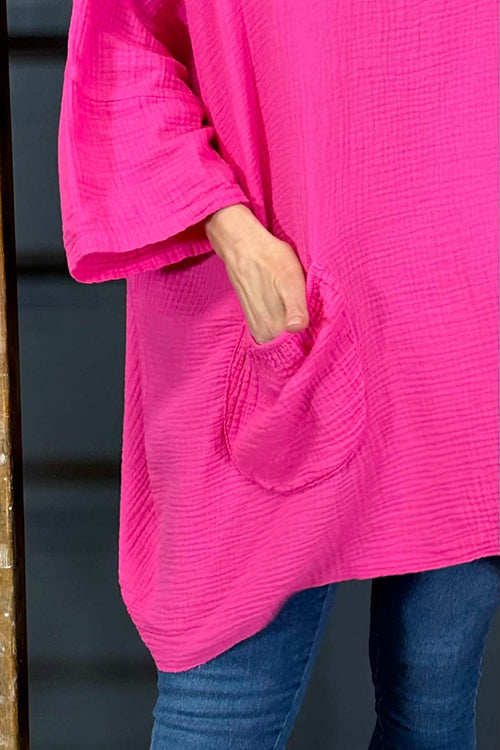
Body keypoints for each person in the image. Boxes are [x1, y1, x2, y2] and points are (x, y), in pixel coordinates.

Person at [57, 0, 500, 747]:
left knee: (432, 714)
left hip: (464, 316)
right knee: (218, 714)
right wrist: (229, 228)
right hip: (268, 306)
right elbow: (124, 41)